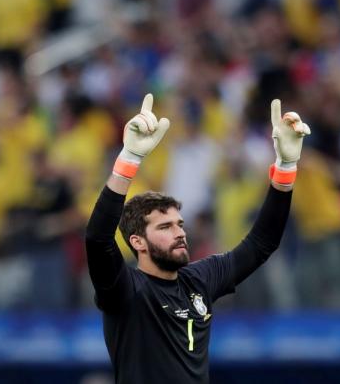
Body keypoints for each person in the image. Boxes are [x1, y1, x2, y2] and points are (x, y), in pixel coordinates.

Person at [85, 93, 310, 384]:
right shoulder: (125, 290)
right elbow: (97, 238)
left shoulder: (199, 279)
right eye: (165, 227)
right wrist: (129, 159)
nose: (180, 232)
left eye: (179, 224)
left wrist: (285, 168)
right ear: (138, 242)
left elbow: (261, 243)